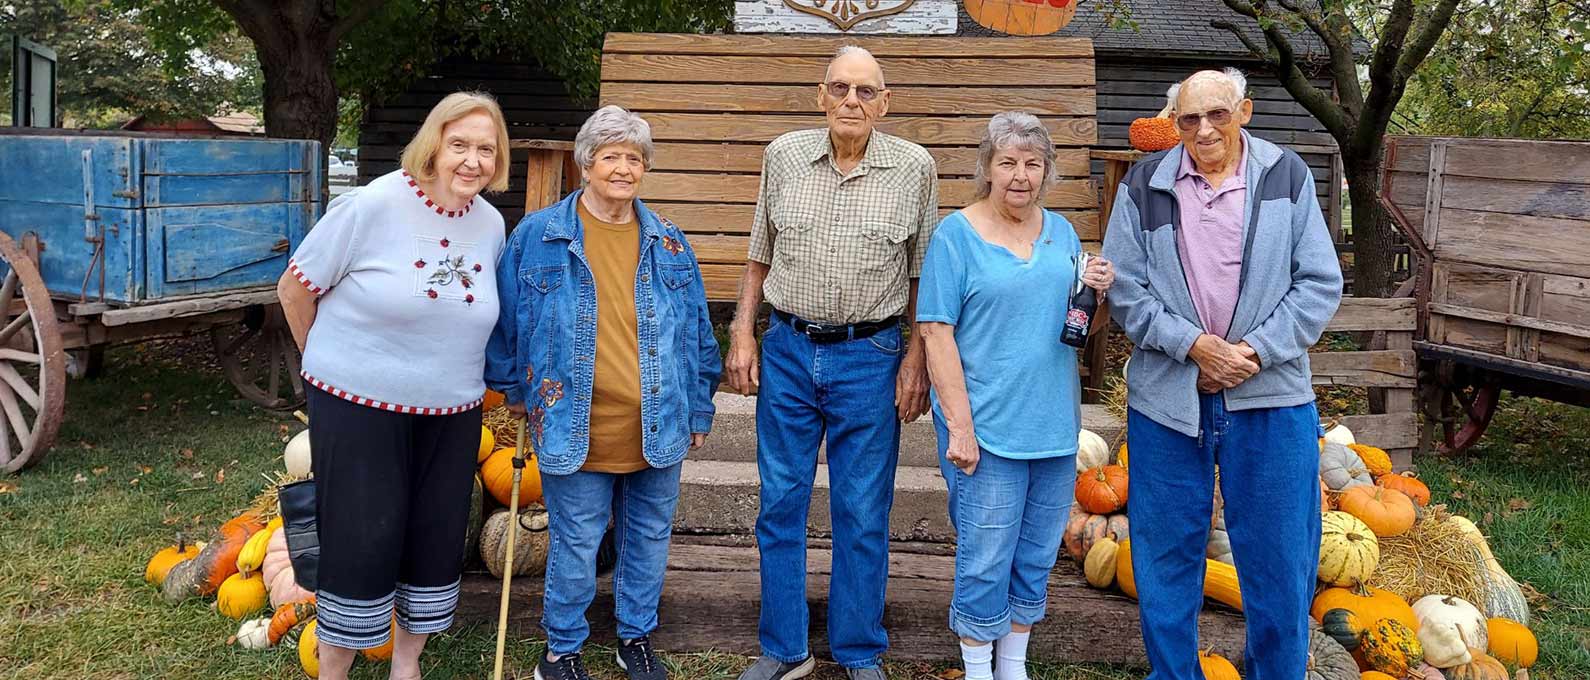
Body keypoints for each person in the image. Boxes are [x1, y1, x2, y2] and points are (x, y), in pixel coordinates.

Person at [1100, 68, 1344, 679]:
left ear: (1246, 111)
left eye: (1218, 115)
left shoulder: (1286, 175)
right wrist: (1195, 347)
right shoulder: (1144, 184)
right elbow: (1125, 290)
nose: (1204, 129)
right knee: (1164, 557)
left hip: (1270, 399)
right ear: (1174, 122)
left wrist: (1253, 353)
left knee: (1280, 560)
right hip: (1168, 402)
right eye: (1189, 118)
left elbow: (1318, 284)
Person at [277, 91, 511, 680]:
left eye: (486, 149)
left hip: (454, 410)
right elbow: (295, 289)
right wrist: (323, 367)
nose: (472, 160)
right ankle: (335, 674)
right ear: (433, 145)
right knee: (361, 541)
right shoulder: (372, 205)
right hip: (359, 407)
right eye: (459, 145)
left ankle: (405, 668)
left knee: (432, 539)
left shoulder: (489, 223)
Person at [484, 105, 722, 680]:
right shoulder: (539, 237)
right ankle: (561, 652)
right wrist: (514, 388)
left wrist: (698, 403)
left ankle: (634, 639)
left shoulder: (667, 241)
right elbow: (506, 321)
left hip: (657, 423)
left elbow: (695, 330)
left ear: (644, 168)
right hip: (574, 422)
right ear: (586, 163)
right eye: (610, 156)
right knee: (576, 541)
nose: (622, 168)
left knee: (647, 537)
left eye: (633, 158)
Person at [726, 45, 938, 680]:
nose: (852, 101)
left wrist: (915, 360)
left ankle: (858, 650)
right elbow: (758, 254)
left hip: (870, 355)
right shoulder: (784, 156)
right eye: (841, 89)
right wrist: (743, 332)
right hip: (788, 348)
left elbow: (926, 277)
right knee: (780, 501)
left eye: (866, 91)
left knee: (863, 509)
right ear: (821, 95)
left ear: (885, 102)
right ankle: (785, 649)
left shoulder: (914, 168)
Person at [918, 111, 1113, 680]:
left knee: (1035, 554)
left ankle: (1014, 667)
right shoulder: (956, 235)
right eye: (1007, 162)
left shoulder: (1063, 234)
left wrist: (1102, 295)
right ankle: (980, 670)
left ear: (1047, 171)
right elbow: (936, 332)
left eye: (1032, 163)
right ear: (986, 169)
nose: (1020, 175)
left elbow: (1085, 328)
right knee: (985, 558)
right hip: (988, 427)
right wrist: (959, 427)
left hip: (1052, 426)